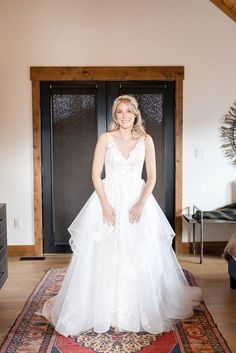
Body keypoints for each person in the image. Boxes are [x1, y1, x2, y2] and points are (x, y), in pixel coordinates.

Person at [37, 95, 202, 336]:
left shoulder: (146, 140)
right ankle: (106, 310)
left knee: (137, 255)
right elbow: (95, 174)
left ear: (136, 114)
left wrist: (141, 203)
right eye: (119, 112)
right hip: (109, 199)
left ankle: (133, 309)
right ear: (115, 115)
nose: (123, 116)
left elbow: (153, 176)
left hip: (137, 201)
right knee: (106, 253)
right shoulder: (105, 138)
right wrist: (104, 204)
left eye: (128, 111)